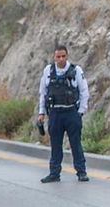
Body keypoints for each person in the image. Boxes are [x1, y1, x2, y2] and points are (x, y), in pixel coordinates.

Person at [37, 45, 90, 182]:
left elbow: (84, 92)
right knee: (55, 145)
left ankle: (81, 172)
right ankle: (54, 173)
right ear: (54, 57)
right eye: (58, 57)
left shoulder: (76, 70)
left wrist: (80, 112)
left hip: (71, 112)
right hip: (55, 113)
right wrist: (41, 113)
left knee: (75, 144)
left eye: (63, 56)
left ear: (67, 56)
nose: (61, 59)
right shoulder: (48, 71)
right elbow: (43, 93)